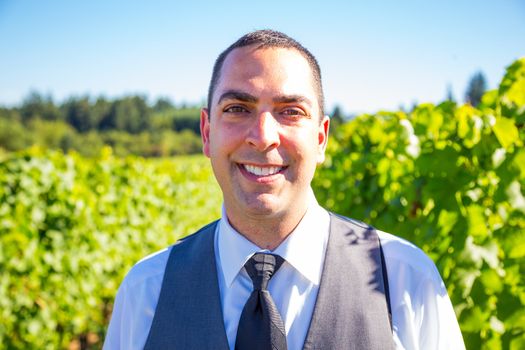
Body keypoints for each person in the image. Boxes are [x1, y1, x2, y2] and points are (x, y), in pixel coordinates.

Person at [103, 30, 465, 350]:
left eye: (290, 111)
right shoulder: (146, 289)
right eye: (237, 108)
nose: (262, 137)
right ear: (207, 132)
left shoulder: (406, 280)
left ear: (321, 138)